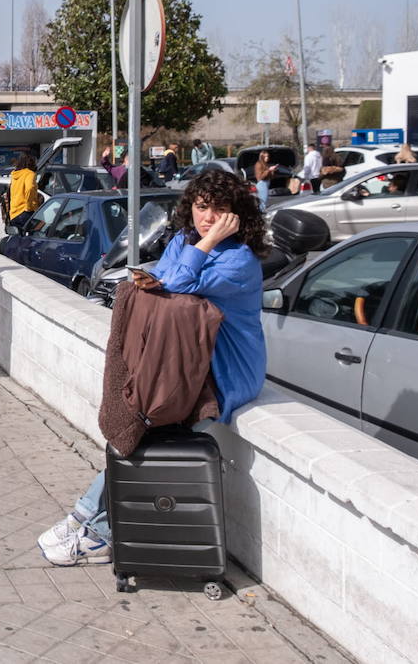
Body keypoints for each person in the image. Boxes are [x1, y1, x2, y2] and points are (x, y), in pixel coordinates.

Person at [38, 170, 269, 565]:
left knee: (143, 442)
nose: (208, 218)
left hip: (221, 375)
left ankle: (96, 532)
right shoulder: (183, 241)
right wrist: (193, 249)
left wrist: (209, 242)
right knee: (131, 434)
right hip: (179, 367)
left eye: (219, 210)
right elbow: (156, 281)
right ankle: (84, 520)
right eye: (201, 208)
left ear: (236, 215)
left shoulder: (238, 262)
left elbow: (175, 284)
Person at [6, 154, 41, 229]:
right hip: (25, 213)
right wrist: (29, 207)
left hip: (13, 214)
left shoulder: (15, 175)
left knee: (20, 239)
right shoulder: (29, 173)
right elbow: (30, 188)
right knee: (43, 228)